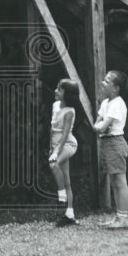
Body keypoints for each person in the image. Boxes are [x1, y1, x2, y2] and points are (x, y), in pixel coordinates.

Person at [93, 70, 128, 229]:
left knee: (120, 181)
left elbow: (101, 126)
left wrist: (99, 126)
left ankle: (124, 218)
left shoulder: (117, 103)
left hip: (115, 143)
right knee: (114, 181)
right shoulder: (105, 103)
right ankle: (119, 216)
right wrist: (99, 126)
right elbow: (98, 122)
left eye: (107, 81)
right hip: (107, 144)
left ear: (115, 88)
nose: (103, 83)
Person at [48, 78, 81, 227]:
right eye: (57, 88)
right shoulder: (55, 105)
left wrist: (56, 152)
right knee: (67, 180)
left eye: (59, 89)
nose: (56, 91)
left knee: (53, 164)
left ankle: (61, 195)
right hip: (56, 144)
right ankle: (70, 214)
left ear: (67, 94)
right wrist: (51, 148)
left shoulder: (70, 112)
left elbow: (65, 135)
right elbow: (52, 130)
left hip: (67, 144)